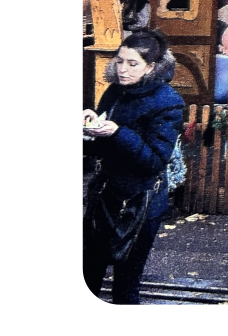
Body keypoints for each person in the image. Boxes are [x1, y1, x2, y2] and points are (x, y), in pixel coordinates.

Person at [82, 29, 185, 304]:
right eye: (119, 61)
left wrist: (117, 132)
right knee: (86, 274)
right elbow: (99, 149)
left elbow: (154, 160)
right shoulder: (114, 92)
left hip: (140, 203)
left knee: (126, 284)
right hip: (104, 197)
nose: (123, 70)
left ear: (151, 67)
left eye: (132, 64)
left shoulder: (169, 101)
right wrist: (89, 129)